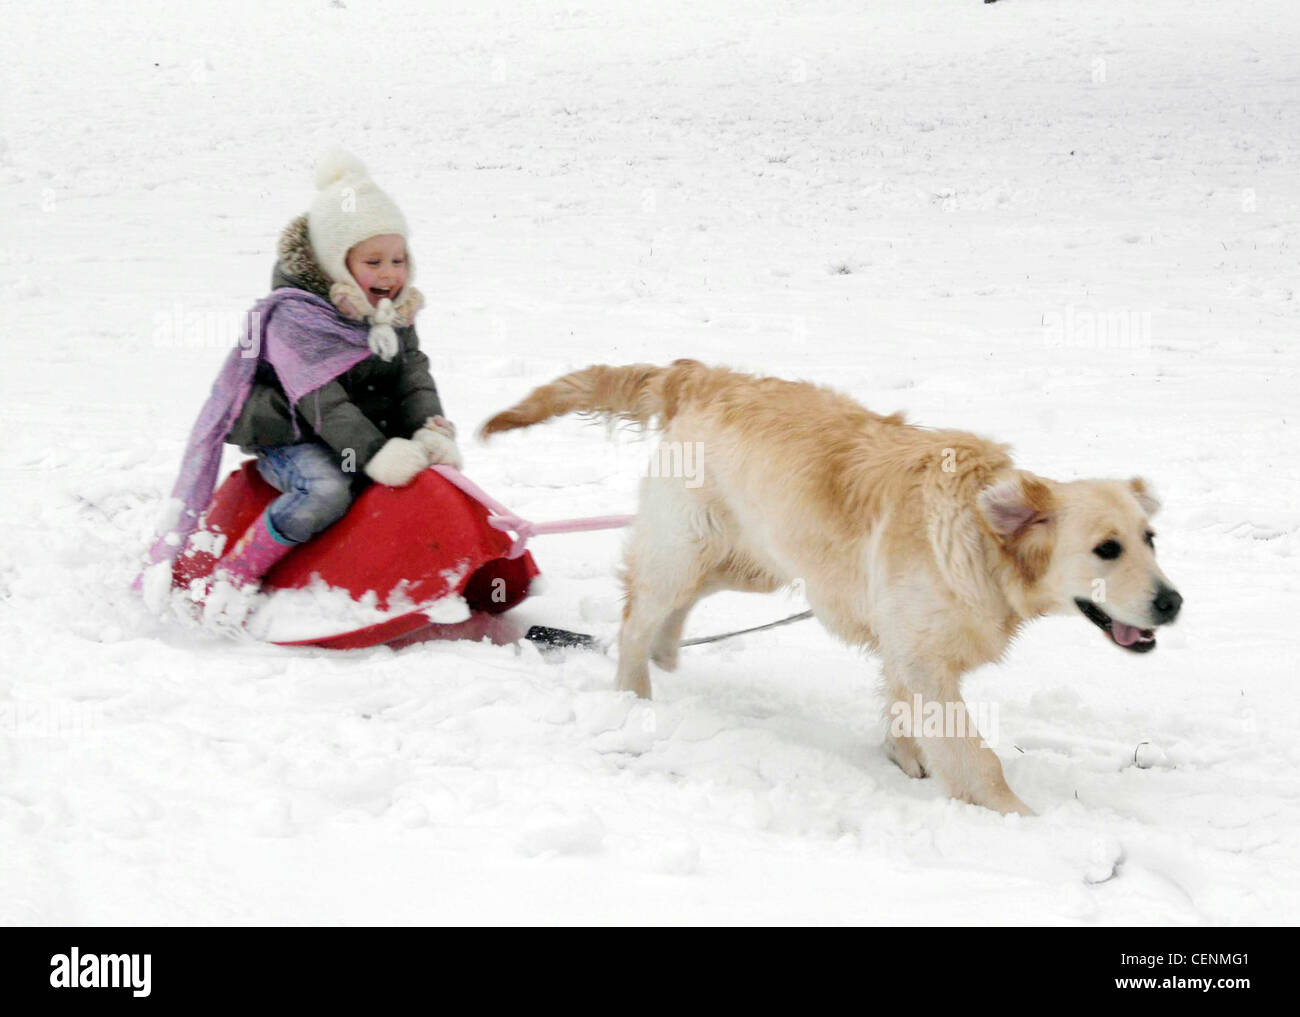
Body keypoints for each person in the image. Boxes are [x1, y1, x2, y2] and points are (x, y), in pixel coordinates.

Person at [140, 149, 462, 624]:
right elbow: (321, 400)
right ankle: (236, 575)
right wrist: (375, 452)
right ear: (336, 263)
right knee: (327, 490)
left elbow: (412, 374)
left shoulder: (393, 312)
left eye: (398, 259)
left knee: (418, 476)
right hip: (291, 430)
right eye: (373, 261)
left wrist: (428, 428)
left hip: (356, 433)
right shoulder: (298, 318)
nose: (390, 274)